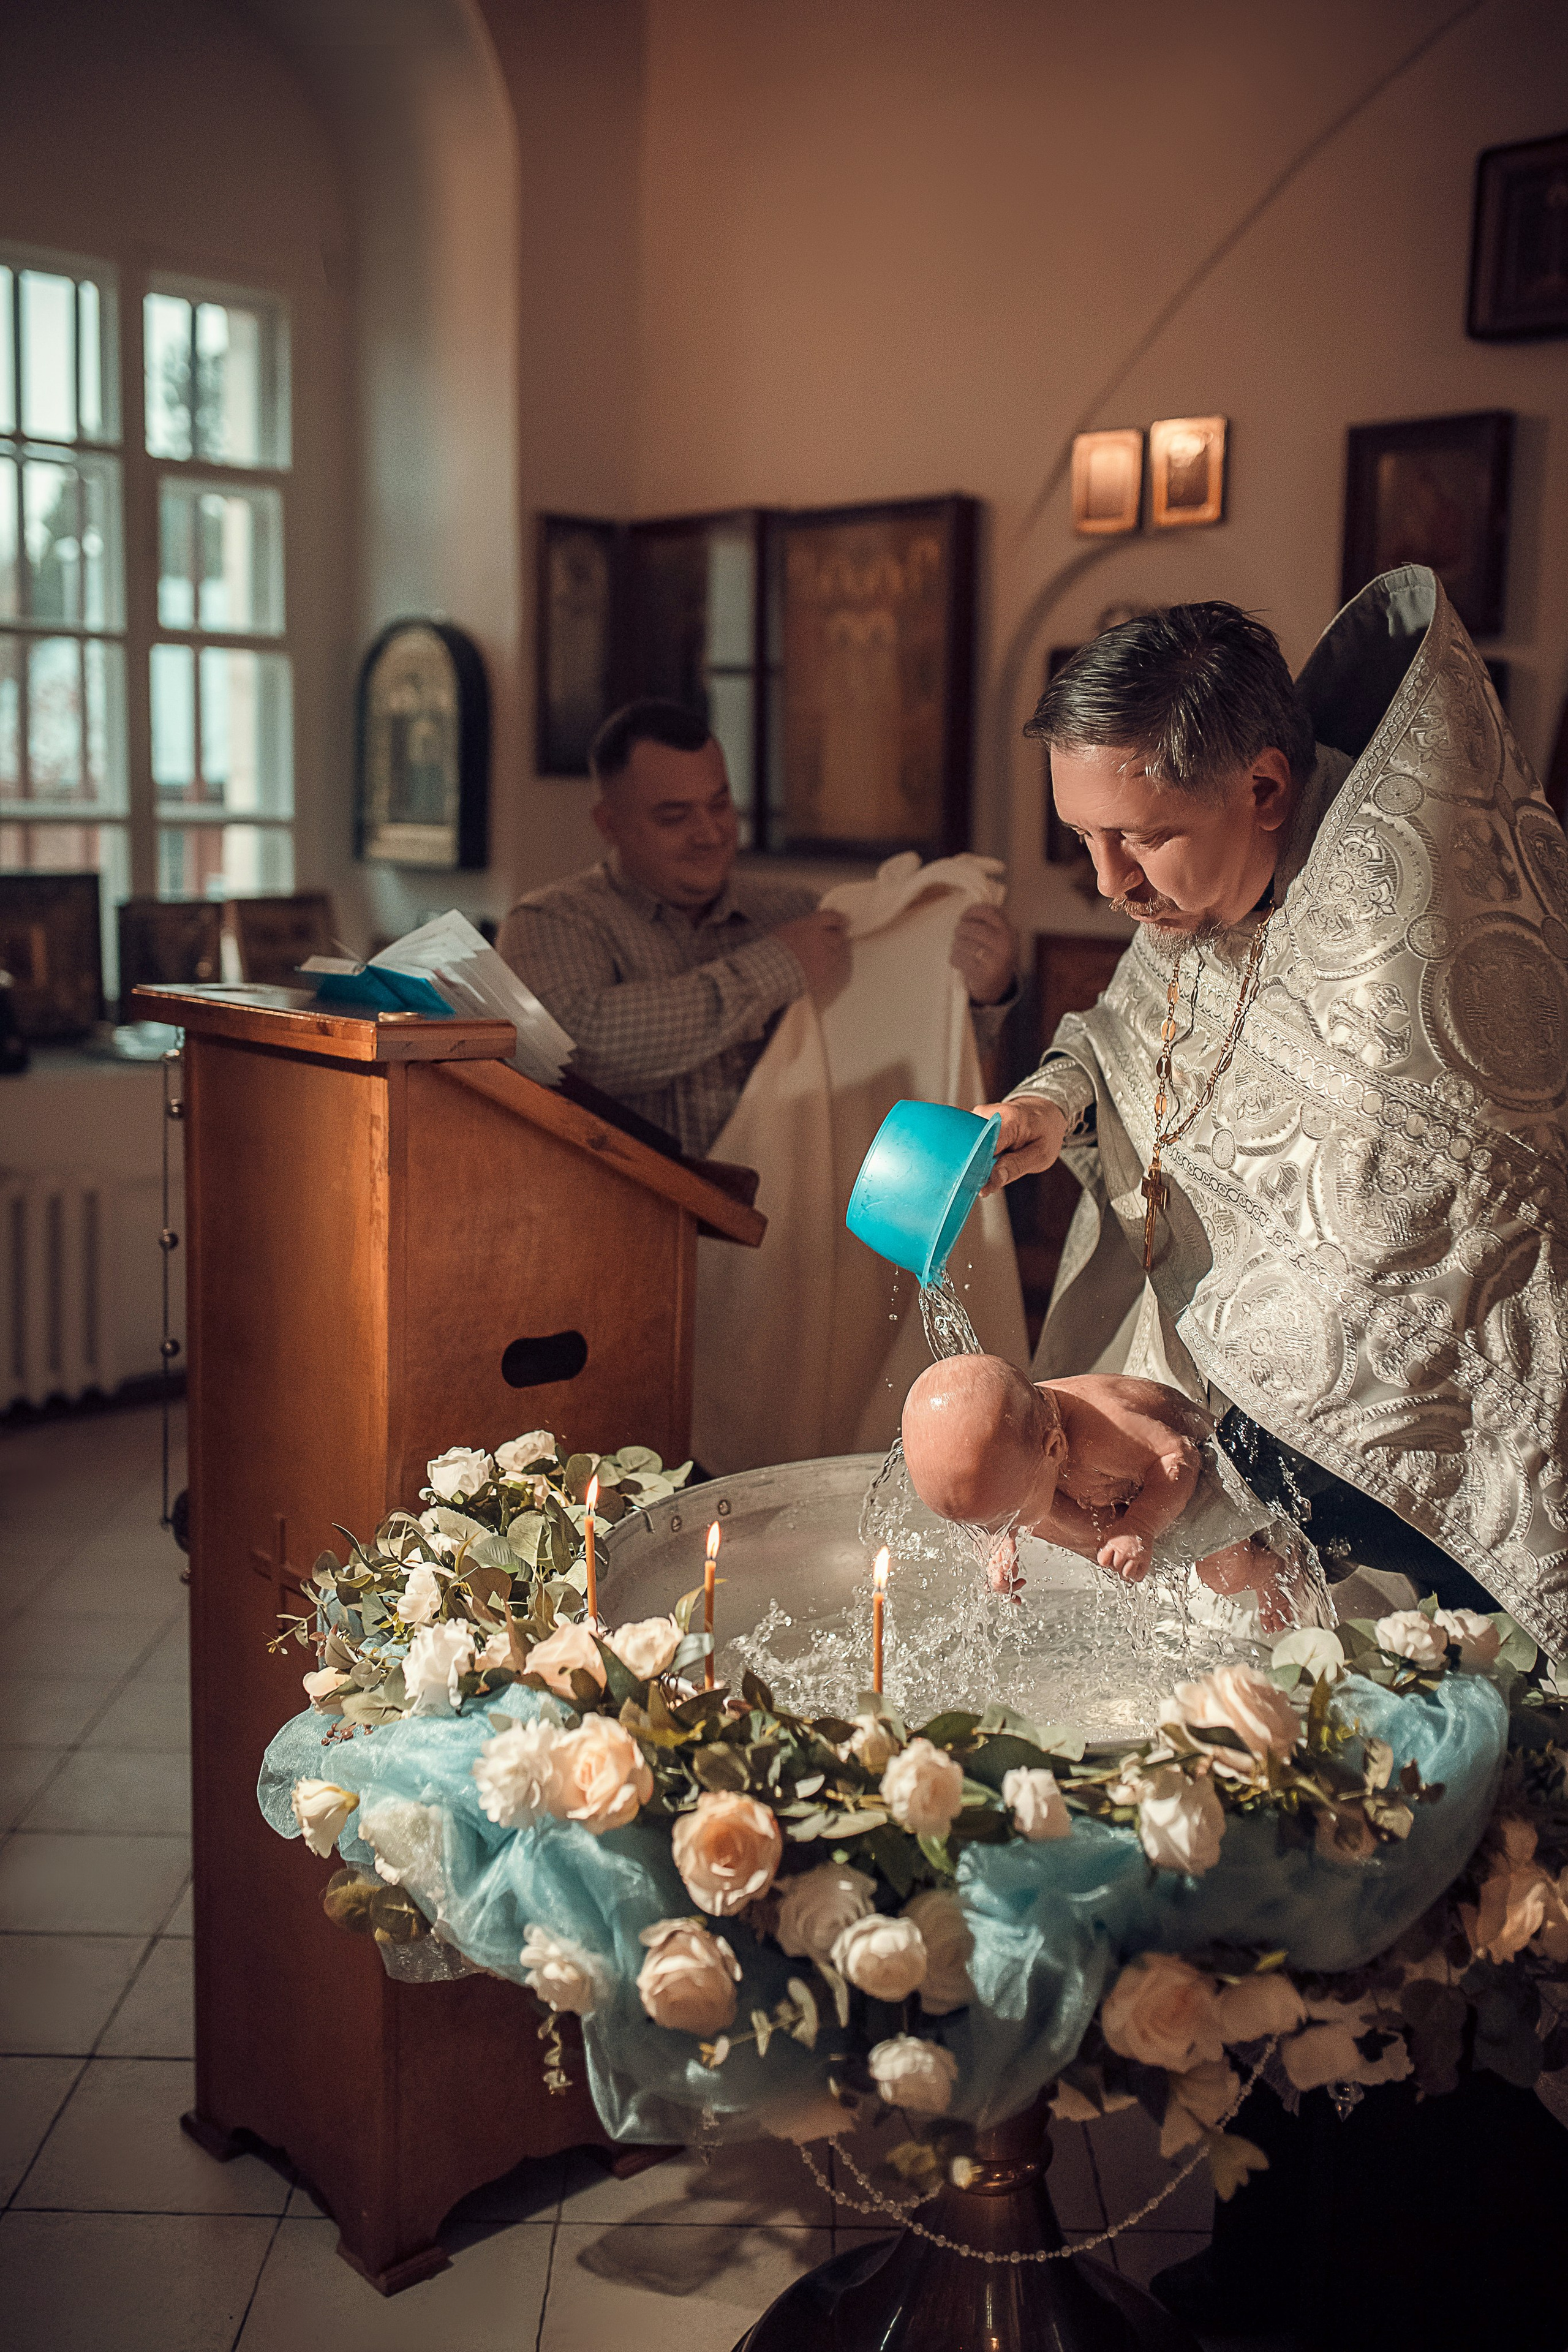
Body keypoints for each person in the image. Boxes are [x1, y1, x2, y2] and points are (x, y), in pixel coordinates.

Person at [974, 573, 1568, 2348]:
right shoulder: (1201, 892)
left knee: (1399, 1911)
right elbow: (1119, 1025)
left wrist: (1206, 1471)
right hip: (1247, 1490)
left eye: (1138, 838)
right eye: (1081, 841)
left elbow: (1388, 1287)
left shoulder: (1407, 942)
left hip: (1405, 1506)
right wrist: (1051, 1106)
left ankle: (1380, 2284)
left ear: (1262, 783)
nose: (1110, 884)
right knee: (1260, 1900)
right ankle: (1266, 2244)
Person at [499, 699, 1019, 1161]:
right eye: (675, 816)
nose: (710, 833)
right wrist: (775, 968)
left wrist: (981, 996)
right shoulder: (552, 922)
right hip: (629, 1222)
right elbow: (579, 1053)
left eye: (720, 804)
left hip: (787, 1220)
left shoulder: (794, 912)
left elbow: (898, 1051)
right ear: (609, 824)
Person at [900, 1351, 1300, 1623]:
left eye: (1003, 1520)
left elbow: (1178, 1457)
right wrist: (1000, 1545)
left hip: (1205, 1484)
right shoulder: (1022, 1436)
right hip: (1115, 1489)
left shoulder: (1102, 1430)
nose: (994, 1528)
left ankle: (1269, 1570)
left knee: (1223, 1577)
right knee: (1046, 1516)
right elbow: (994, 1501)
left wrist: (1140, 1525)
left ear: (1055, 1447)